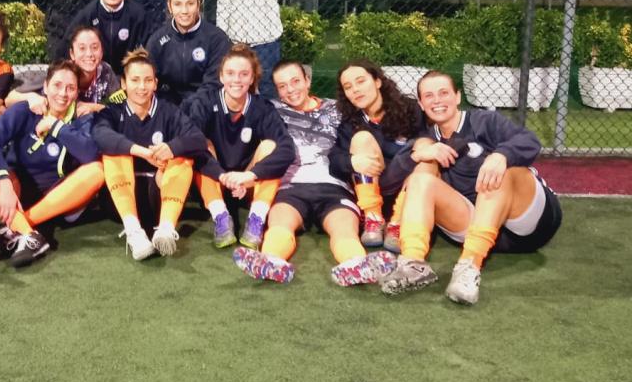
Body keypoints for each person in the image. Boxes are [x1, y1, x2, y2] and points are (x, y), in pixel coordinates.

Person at [379, 71, 562, 304]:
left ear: (457, 97)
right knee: (420, 179)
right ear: (422, 104)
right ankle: (413, 265)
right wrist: (417, 156)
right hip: (475, 224)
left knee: (501, 171)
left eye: (443, 93)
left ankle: (469, 266)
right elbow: (387, 184)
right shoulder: (426, 140)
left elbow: (529, 141)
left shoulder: (484, 121)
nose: (437, 100)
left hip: (528, 222)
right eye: (429, 96)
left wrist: (501, 155)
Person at [232, 61, 396, 284]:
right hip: (290, 187)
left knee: (344, 230)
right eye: (282, 86)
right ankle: (271, 261)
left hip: (333, 187)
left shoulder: (337, 109)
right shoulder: (271, 109)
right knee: (280, 225)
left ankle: (356, 264)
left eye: (295, 81)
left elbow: (368, 126)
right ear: (277, 91)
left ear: (308, 81)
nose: (290, 90)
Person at [0, 60, 106, 267]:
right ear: (45, 87)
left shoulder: (83, 118)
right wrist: (4, 183)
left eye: (70, 88)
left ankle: (19, 227)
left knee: (97, 170)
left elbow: (90, 154)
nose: (63, 93)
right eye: (57, 85)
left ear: (77, 93)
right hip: (17, 192)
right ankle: (28, 233)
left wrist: (55, 126)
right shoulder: (26, 109)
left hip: (59, 198)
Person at [93, 49, 208, 260]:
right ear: (123, 83)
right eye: (135, 80)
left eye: (148, 80)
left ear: (155, 83)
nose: (142, 87)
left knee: (183, 157)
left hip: (160, 194)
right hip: (120, 199)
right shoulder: (112, 112)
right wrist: (142, 152)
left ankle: (166, 229)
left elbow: (198, 140)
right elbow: (100, 136)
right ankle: (134, 232)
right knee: (114, 153)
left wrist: (171, 148)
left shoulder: (168, 111)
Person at [182, 43, 295, 250]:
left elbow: (287, 148)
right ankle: (220, 216)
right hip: (213, 180)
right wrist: (222, 175)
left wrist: (249, 176)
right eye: (230, 73)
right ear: (221, 76)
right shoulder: (204, 102)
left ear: (252, 79)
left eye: (244, 74)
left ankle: (256, 219)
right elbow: (188, 141)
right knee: (200, 142)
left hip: (246, 184)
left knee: (270, 146)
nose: (236, 80)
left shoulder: (262, 108)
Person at [330, 59, 426, 251]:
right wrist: (353, 161)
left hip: (408, 189)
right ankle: (373, 220)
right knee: (361, 138)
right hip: (373, 189)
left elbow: (428, 142)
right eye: (348, 87)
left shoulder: (409, 108)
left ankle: (398, 223)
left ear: (377, 81)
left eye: (361, 81)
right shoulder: (351, 121)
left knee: (424, 147)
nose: (355, 90)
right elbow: (334, 160)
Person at [146, 0, 231, 106]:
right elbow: (150, 79)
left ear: (198, 4)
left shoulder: (217, 39)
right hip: (168, 107)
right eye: (178, 4)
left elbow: (214, 84)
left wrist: (189, 107)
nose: (184, 11)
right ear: (169, 6)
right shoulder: (157, 40)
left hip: (205, 106)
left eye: (190, 4)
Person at [6, 26, 124, 117]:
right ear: (72, 54)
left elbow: (121, 108)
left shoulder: (106, 72)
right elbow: (9, 99)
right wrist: (31, 97)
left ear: (102, 52)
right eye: (82, 48)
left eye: (95, 48)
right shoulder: (61, 72)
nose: (89, 54)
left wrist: (94, 107)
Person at [63, 0, 150, 72]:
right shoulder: (88, 14)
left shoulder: (138, 15)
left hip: (128, 74)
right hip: (94, 73)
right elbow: (67, 43)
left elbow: (147, 47)